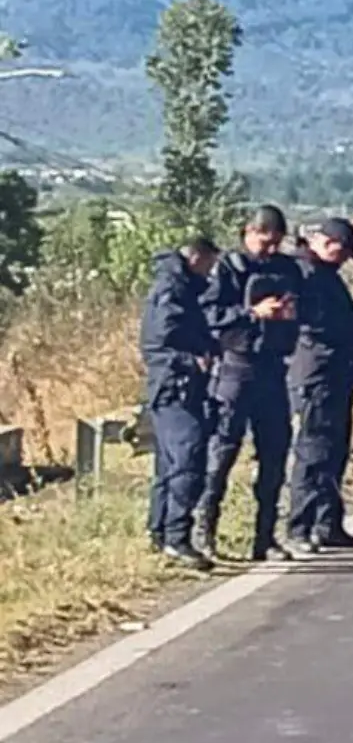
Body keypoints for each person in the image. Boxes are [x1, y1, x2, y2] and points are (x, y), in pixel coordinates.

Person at [196, 205, 302, 562]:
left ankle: (265, 537)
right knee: (222, 452)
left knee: (275, 454)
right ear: (247, 233)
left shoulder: (287, 270)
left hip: (274, 369)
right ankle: (205, 532)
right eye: (264, 241)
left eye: (276, 243)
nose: (270, 249)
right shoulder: (229, 268)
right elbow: (209, 316)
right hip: (235, 370)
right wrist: (252, 313)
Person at [286, 217, 353, 556]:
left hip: (336, 377)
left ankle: (328, 523)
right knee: (313, 452)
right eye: (340, 251)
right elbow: (315, 324)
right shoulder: (305, 275)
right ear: (324, 243)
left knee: (334, 451)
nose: (342, 260)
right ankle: (300, 527)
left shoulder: (325, 275)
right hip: (317, 376)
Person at [138, 236, 221, 571]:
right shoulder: (171, 290)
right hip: (174, 387)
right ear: (196, 257)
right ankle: (176, 536)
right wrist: (191, 361)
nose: (211, 270)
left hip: (183, 386)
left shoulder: (186, 287)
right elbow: (157, 343)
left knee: (169, 464)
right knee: (188, 457)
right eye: (210, 263)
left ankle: (159, 532)